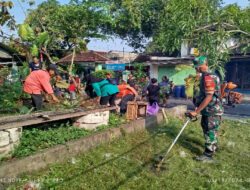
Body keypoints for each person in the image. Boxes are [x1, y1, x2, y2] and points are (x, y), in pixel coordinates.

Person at [189, 56, 223, 162]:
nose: (197, 69)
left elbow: (209, 96)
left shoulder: (209, 77)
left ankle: (208, 155)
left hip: (212, 109)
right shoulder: (206, 76)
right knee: (207, 128)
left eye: (199, 67)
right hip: (208, 109)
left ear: (206, 64)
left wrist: (196, 111)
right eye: (196, 67)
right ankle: (214, 146)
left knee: (210, 130)